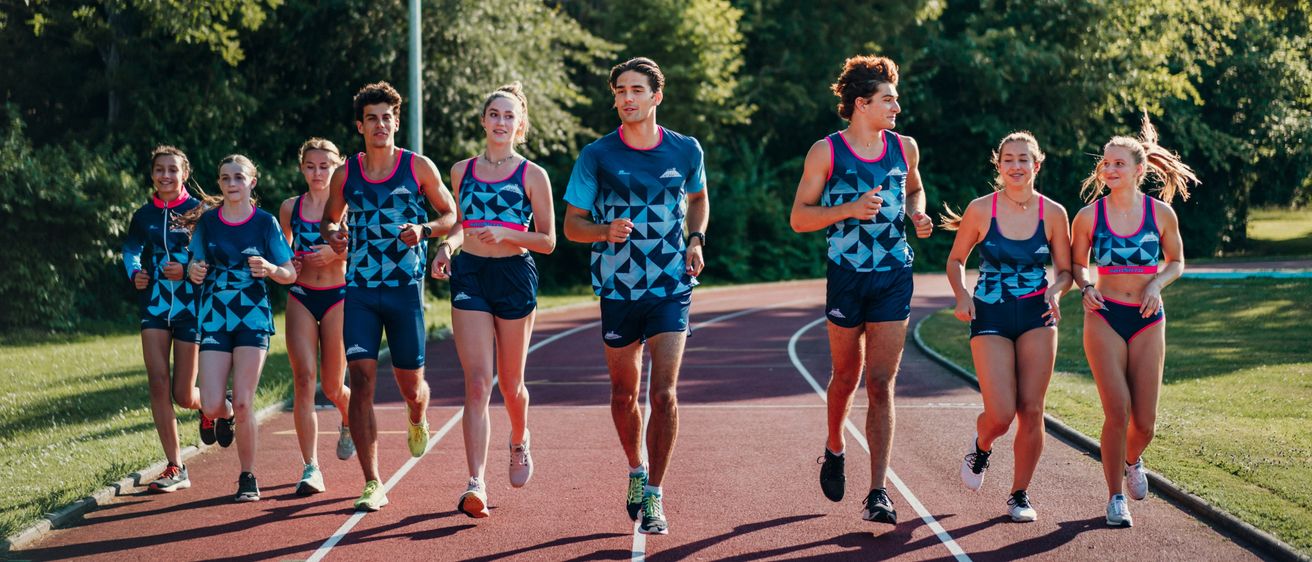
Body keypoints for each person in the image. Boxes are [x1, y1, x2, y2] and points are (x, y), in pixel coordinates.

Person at [562, 57, 708, 536]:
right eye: (620, 90)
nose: (627, 97)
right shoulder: (597, 156)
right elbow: (572, 226)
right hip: (619, 288)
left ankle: (656, 497)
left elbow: (699, 198)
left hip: (670, 287)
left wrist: (696, 239)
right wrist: (604, 230)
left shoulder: (685, 150)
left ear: (655, 97)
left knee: (664, 395)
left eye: (636, 90)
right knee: (625, 394)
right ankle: (635, 469)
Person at [788, 54, 933, 525]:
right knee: (846, 376)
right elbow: (799, 218)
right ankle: (834, 446)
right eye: (888, 100)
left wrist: (916, 213)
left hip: (893, 273)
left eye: (896, 99)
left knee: (881, 383)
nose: (897, 107)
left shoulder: (904, 146)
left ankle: (878, 492)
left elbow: (914, 190)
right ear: (861, 104)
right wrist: (849, 208)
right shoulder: (826, 152)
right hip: (847, 275)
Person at [322, 81, 457, 512]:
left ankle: (417, 416)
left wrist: (425, 230)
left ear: (396, 122)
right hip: (360, 289)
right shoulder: (347, 173)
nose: (380, 125)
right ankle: (372, 482)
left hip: (404, 290)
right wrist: (335, 235)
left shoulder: (417, 168)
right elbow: (329, 220)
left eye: (387, 118)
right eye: (372, 119)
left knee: (410, 386)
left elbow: (452, 215)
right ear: (360, 126)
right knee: (360, 380)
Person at [431, 83, 556, 518]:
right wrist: (447, 247)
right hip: (471, 275)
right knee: (478, 382)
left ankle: (519, 438)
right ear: (483, 120)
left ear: (520, 124)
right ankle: (475, 482)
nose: (501, 122)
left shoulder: (532, 175)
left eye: (509, 116)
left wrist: (508, 234)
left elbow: (548, 240)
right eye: (494, 114)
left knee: (510, 384)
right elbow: (461, 224)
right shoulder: (461, 171)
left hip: (514, 275)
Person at [1070, 114, 1197, 527]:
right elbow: (1077, 265)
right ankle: (1114, 498)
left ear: (1139, 170)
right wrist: (1086, 286)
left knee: (1145, 423)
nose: (1110, 169)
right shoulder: (1089, 216)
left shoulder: (1161, 214)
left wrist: (1157, 284)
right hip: (1104, 316)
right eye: (1106, 164)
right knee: (1117, 411)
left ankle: (1132, 458)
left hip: (1147, 317)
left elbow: (1176, 262)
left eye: (1119, 164)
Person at [941, 132, 1072, 522]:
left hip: (1037, 315)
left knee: (1031, 409)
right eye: (1009, 159)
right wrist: (962, 296)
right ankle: (982, 446)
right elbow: (955, 260)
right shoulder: (982, 210)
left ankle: (1019, 494)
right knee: (1000, 414)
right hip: (991, 314)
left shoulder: (1053, 213)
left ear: (1037, 163)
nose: (1016, 166)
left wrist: (1057, 291)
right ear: (998, 165)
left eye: (1024, 159)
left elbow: (1065, 271)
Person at [187, 154, 298, 502]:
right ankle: (223, 412)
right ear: (220, 184)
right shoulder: (207, 223)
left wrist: (269, 267)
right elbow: (194, 262)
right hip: (216, 316)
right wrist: (194, 271)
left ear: (252, 182)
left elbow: (290, 273)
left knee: (248, 400)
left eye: (238, 177)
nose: (232, 184)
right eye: (225, 178)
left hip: (252, 318)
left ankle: (247, 477)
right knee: (209, 402)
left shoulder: (265, 224)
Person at [122, 146, 206, 493]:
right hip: (155, 308)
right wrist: (135, 272)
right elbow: (130, 250)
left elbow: (211, 255)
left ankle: (216, 405)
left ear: (184, 174)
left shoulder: (200, 212)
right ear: (152, 174)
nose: (166, 176)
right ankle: (176, 465)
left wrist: (187, 270)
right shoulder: (143, 215)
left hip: (190, 309)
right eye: (160, 170)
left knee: (184, 395)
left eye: (173, 170)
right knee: (157, 382)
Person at [279, 138, 354, 497]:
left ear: (337, 167)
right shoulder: (290, 208)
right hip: (302, 296)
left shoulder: (350, 206)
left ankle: (347, 417)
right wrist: (289, 264)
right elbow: (283, 253)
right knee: (304, 379)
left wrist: (337, 255)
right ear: (302, 167)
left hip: (339, 296)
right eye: (311, 166)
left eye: (325, 166)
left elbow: (366, 252)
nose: (318, 172)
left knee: (333, 385)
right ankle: (311, 467)